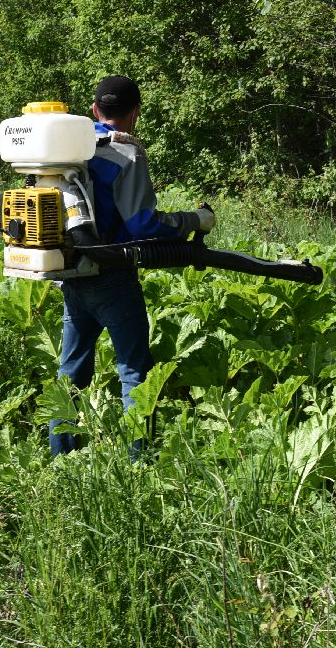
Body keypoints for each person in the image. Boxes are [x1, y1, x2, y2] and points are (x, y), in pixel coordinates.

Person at [49, 75, 214, 455]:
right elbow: (144, 224)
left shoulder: (65, 147)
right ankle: (141, 461)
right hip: (113, 275)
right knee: (135, 371)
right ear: (135, 113)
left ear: (93, 111)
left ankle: (61, 458)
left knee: (70, 371)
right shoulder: (126, 153)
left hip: (71, 273)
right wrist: (193, 220)